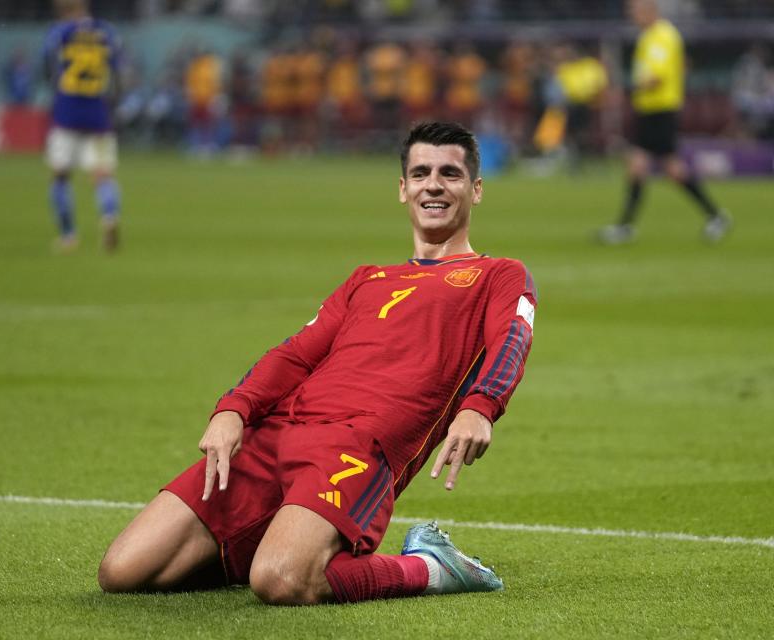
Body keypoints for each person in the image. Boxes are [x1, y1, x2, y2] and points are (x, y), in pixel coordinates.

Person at [98, 121, 537, 605]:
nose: (433, 184)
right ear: (403, 188)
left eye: (450, 174)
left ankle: (432, 567)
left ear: (475, 190)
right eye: (421, 173)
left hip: (355, 446)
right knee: (123, 570)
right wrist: (233, 409)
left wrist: (481, 405)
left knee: (282, 580)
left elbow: (512, 337)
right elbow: (296, 353)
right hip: (278, 433)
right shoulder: (366, 279)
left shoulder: (498, 274)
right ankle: (280, 542)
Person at [599, 0, 730, 245]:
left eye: (635, 11)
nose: (632, 16)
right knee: (650, 166)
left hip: (660, 110)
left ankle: (715, 215)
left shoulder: (661, 37)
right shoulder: (652, 36)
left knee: (659, 167)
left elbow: (655, 78)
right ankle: (626, 226)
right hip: (653, 109)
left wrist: (623, 90)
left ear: (650, 10)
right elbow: (679, 66)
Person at [43, 0, 122, 253]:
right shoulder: (106, 32)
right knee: (102, 176)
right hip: (98, 114)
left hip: (67, 113)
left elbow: (47, 67)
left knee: (60, 175)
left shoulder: (60, 33)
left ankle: (68, 236)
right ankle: (109, 217)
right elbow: (117, 72)